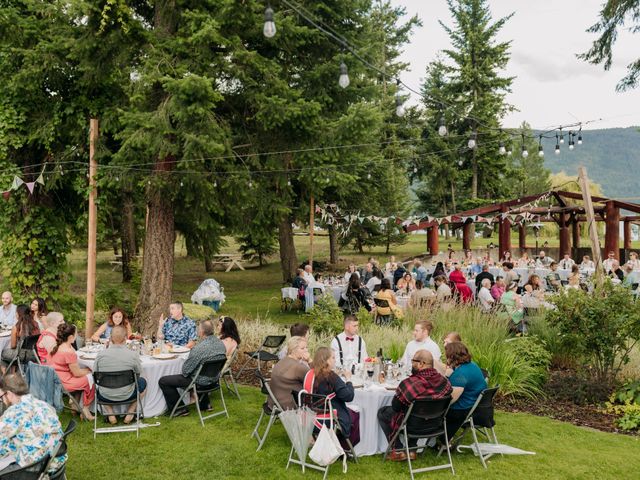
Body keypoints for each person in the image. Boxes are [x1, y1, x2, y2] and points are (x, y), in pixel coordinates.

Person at [377, 350, 452, 461]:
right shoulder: (444, 381)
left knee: (383, 412)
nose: (411, 364)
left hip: (413, 426)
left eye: (413, 361)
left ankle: (398, 450)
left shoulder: (410, 383)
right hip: (435, 425)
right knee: (417, 412)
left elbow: (395, 407)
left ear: (421, 364)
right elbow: (449, 394)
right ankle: (411, 450)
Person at [0, 374, 65, 475]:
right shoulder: (43, 404)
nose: (2, 401)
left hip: (34, 468)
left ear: (9, 393)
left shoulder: (14, 412)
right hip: (55, 462)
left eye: (1, 397)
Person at [159, 320, 227, 416]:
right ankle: (205, 404)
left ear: (202, 332)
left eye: (198, 329)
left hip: (199, 382)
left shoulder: (199, 348)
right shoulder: (221, 344)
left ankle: (180, 409)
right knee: (200, 372)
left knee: (163, 381)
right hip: (214, 380)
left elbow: (185, 371)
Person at [94, 325, 147, 424]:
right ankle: (130, 412)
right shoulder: (132, 355)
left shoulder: (100, 355)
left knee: (98, 385)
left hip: (104, 395)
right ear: (126, 339)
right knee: (143, 382)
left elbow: (95, 374)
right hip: (127, 394)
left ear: (110, 339)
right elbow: (138, 373)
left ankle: (111, 414)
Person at [304, 347, 355, 437]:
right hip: (328, 419)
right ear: (326, 360)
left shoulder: (310, 373)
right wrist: (349, 380)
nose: (335, 361)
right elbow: (349, 396)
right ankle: (347, 446)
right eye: (333, 358)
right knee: (355, 415)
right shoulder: (331, 376)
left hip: (310, 416)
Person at [50, 323, 95, 420]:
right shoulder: (68, 352)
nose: (77, 336)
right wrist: (89, 371)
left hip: (58, 379)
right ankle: (86, 410)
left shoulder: (59, 346)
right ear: (70, 337)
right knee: (92, 378)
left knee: (87, 377)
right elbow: (77, 373)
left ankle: (75, 406)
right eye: (76, 334)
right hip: (65, 383)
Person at [443, 342, 487, 440]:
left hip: (461, 410)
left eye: (447, 356)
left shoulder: (460, 375)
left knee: (430, 410)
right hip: (475, 406)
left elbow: (449, 400)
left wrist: (446, 377)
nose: (446, 359)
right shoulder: (472, 365)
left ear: (452, 357)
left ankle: (440, 440)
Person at [268, 336, 310, 411]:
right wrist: (309, 360)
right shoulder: (298, 367)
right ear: (293, 350)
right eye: (302, 348)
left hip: (275, 402)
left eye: (306, 347)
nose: (306, 351)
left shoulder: (282, 361)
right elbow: (316, 379)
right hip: (290, 405)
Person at [1, 304, 40, 369]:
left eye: (16, 312)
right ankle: (14, 372)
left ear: (18, 314)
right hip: (34, 354)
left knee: (2, 352)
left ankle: (6, 375)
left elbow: (13, 346)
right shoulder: (36, 324)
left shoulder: (16, 327)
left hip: (22, 356)